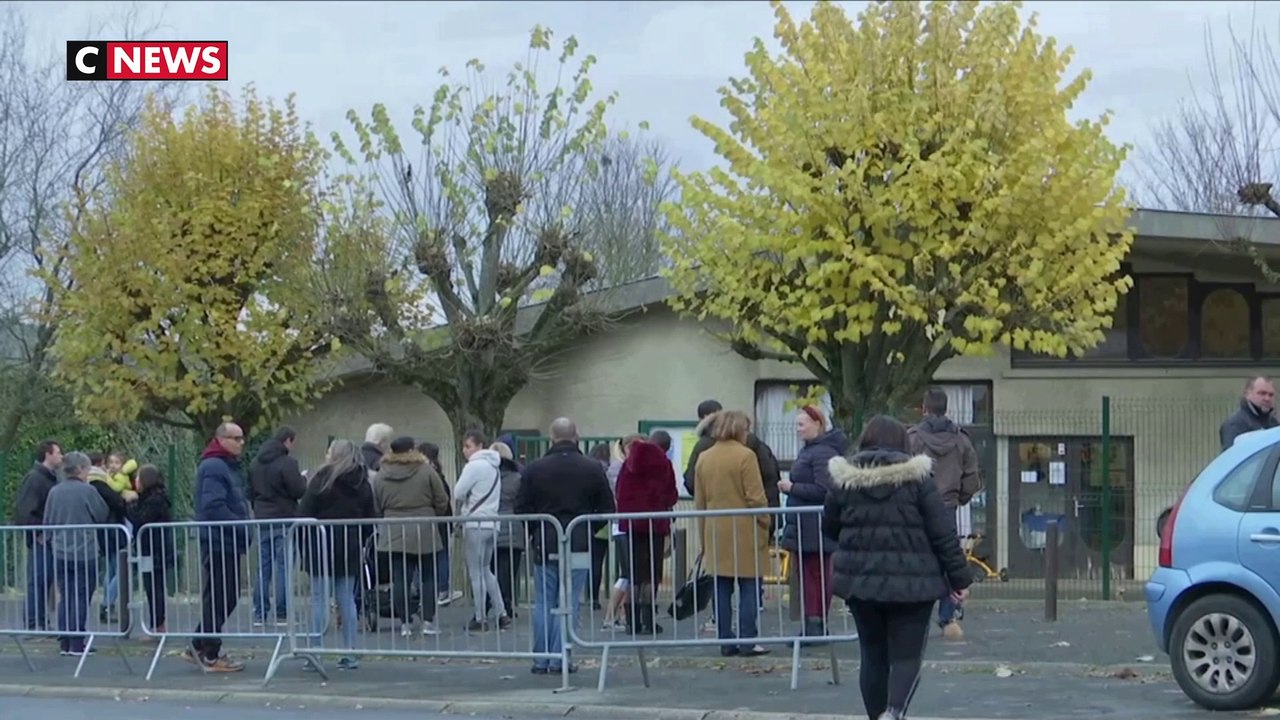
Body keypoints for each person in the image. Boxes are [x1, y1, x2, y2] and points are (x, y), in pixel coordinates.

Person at [824, 415, 971, 720]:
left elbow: (830, 527)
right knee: (907, 655)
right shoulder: (919, 479)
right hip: (913, 584)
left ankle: (876, 715)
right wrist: (959, 579)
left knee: (872, 655)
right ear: (903, 442)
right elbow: (942, 532)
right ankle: (894, 711)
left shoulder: (845, 479)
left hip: (860, 583)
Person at [516, 417, 615, 675]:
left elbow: (521, 509)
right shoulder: (592, 468)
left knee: (543, 601)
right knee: (570, 600)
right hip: (578, 541)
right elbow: (607, 508)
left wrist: (535, 532)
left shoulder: (535, 469)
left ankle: (541, 659)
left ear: (552, 437)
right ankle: (562, 658)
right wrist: (586, 529)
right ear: (576, 437)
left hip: (545, 540)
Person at [694, 410, 771, 657]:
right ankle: (748, 640)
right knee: (749, 585)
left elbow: (700, 502)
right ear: (739, 429)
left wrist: (703, 536)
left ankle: (725, 640)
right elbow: (756, 497)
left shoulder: (704, 457)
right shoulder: (746, 456)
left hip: (715, 529)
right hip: (745, 529)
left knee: (721, 586)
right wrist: (765, 523)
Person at [908, 387, 982, 641]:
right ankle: (948, 615)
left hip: (917, 508)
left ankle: (913, 615)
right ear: (946, 409)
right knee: (949, 560)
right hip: (947, 507)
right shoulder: (962, 440)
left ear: (924, 409)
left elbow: (902, 471)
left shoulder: (913, 439)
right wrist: (959, 498)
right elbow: (972, 478)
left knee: (917, 560)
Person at [298, 439, 376, 670]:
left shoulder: (321, 479)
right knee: (346, 599)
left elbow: (304, 512)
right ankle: (350, 652)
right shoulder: (362, 481)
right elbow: (370, 518)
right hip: (350, 545)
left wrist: (304, 543)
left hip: (321, 544)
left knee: (320, 600)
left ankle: (316, 652)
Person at [184, 422, 250, 673]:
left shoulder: (225, 466)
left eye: (242, 438)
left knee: (225, 595)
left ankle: (200, 644)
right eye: (236, 438)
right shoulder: (214, 466)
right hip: (219, 540)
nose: (241, 443)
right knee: (222, 595)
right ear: (221, 439)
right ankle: (209, 652)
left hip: (226, 540)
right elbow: (213, 506)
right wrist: (241, 526)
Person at [780, 406, 847, 641]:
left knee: (814, 575)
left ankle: (815, 625)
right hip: (806, 524)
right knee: (811, 575)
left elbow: (824, 489)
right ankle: (813, 623)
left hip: (813, 525)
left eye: (802, 424)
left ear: (817, 424)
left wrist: (792, 488)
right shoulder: (813, 451)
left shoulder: (821, 453)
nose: (798, 429)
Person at [374, 436, 451, 636]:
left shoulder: (382, 474)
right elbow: (442, 499)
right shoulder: (426, 471)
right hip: (424, 528)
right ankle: (427, 621)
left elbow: (377, 503)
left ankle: (404, 623)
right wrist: (433, 514)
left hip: (394, 530)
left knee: (400, 579)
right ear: (412, 450)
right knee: (428, 577)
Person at [42, 451, 109, 656]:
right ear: (80, 469)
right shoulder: (87, 491)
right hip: (84, 550)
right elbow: (101, 514)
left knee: (66, 594)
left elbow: (48, 520)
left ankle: (66, 640)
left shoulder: (55, 491)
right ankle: (77, 640)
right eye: (87, 469)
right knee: (81, 595)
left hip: (60, 550)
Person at [616, 439, 679, 635]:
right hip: (655, 524)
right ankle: (649, 622)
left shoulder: (628, 466)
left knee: (634, 575)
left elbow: (619, 492)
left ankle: (631, 623)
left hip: (632, 524)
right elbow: (671, 495)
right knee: (651, 575)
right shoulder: (664, 465)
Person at [247, 426, 307, 627]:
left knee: (263, 567)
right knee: (283, 566)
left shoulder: (255, 463)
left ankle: (260, 613)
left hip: (262, 518)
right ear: (288, 441)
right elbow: (298, 490)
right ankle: (282, 613)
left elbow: (250, 491)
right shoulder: (287, 463)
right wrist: (304, 479)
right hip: (284, 517)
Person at [454, 430, 509, 631]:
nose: (464, 450)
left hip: (475, 523)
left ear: (478, 446)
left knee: (476, 573)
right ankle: (502, 613)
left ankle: (480, 616)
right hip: (492, 522)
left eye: (468, 446)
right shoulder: (494, 466)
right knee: (486, 570)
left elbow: (458, 492)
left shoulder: (473, 466)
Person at [13, 439, 63, 632]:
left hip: (47, 537)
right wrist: (38, 532)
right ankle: (34, 622)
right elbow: (24, 511)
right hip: (42, 538)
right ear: (48, 454)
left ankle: (40, 621)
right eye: (58, 452)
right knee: (39, 580)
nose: (60, 456)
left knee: (44, 580)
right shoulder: (36, 479)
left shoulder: (48, 478)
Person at [128, 464, 175, 639]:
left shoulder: (154, 500)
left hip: (154, 550)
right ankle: (157, 624)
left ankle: (158, 625)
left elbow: (140, 520)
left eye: (138, 478)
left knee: (154, 588)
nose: (135, 481)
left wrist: (130, 505)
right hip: (152, 549)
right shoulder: (154, 498)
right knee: (152, 588)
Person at [86, 453, 130, 625]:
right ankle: (106, 604)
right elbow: (116, 501)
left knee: (111, 568)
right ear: (101, 464)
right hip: (113, 530)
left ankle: (107, 604)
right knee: (121, 570)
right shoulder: (99, 482)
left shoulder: (92, 482)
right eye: (108, 462)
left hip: (105, 531)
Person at [418, 442, 463, 607]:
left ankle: (440, 589)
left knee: (439, 554)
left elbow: (441, 499)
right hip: (440, 519)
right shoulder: (438, 473)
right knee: (441, 554)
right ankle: (441, 589)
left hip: (435, 520)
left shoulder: (428, 473)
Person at [490, 441, 525, 620]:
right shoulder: (518, 477)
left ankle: (489, 606)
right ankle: (507, 606)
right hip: (513, 527)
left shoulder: (486, 476)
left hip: (488, 526)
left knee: (488, 570)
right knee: (508, 571)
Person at [1220, 377, 1279, 450]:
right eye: (1262, 393)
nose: (1267, 398)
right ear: (1247, 394)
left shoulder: (1274, 424)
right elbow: (1232, 456)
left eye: (1271, 395)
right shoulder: (1235, 424)